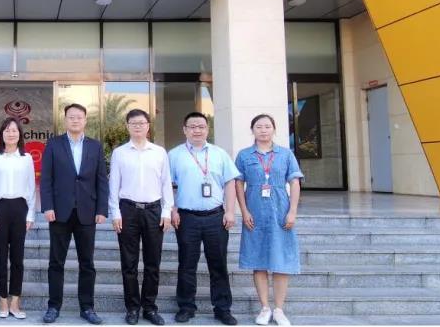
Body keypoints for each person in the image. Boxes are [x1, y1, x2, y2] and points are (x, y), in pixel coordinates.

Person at [168, 113, 239, 325]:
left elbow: (230, 183)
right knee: (186, 264)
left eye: (201, 126)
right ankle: (186, 307)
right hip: (186, 218)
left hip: (216, 217)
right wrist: (172, 210)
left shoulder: (219, 154)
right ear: (185, 130)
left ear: (207, 129)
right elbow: (167, 185)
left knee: (218, 264)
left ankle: (222, 309)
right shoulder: (174, 155)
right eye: (192, 126)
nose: (197, 130)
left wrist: (230, 211)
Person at [40, 103, 108, 325]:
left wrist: (102, 209)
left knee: (87, 263)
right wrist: (47, 206)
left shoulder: (95, 146)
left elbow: (101, 179)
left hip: (87, 212)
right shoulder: (54, 144)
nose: (75, 120)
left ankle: (87, 307)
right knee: (56, 262)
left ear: (85, 120)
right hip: (59, 212)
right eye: (71, 117)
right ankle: (53, 306)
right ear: (65, 120)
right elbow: (46, 178)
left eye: (79, 117)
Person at [234, 114, 303, 327]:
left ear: (274, 129)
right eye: (259, 126)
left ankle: (279, 309)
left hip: (280, 211)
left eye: (267, 126)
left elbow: (295, 182)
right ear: (252, 130)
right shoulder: (244, 155)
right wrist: (244, 211)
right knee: (258, 260)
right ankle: (265, 307)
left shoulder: (286, 154)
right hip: (254, 211)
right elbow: (238, 184)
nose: (263, 130)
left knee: (281, 261)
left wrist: (292, 211)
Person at [109, 109, 174, 326]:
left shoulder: (159, 152)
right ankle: (132, 308)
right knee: (129, 263)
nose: (138, 126)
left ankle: (149, 308)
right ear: (127, 126)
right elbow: (113, 185)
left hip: (154, 211)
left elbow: (166, 183)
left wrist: (166, 211)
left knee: (152, 262)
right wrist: (115, 213)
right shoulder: (119, 153)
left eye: (141, 122)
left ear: (148, 126)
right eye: (133, 123)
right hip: (127, 210)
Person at [0, 117, 36, 319]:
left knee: (17, 258)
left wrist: (30, 214)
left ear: (20, 134)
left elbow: (31, 188)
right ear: (2, 134)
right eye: (7, 130)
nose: (11, 133)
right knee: (0, 256)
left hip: (20, 208)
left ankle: (15, 300)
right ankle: (3, 299)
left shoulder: (26, 158)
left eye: (14, 130)